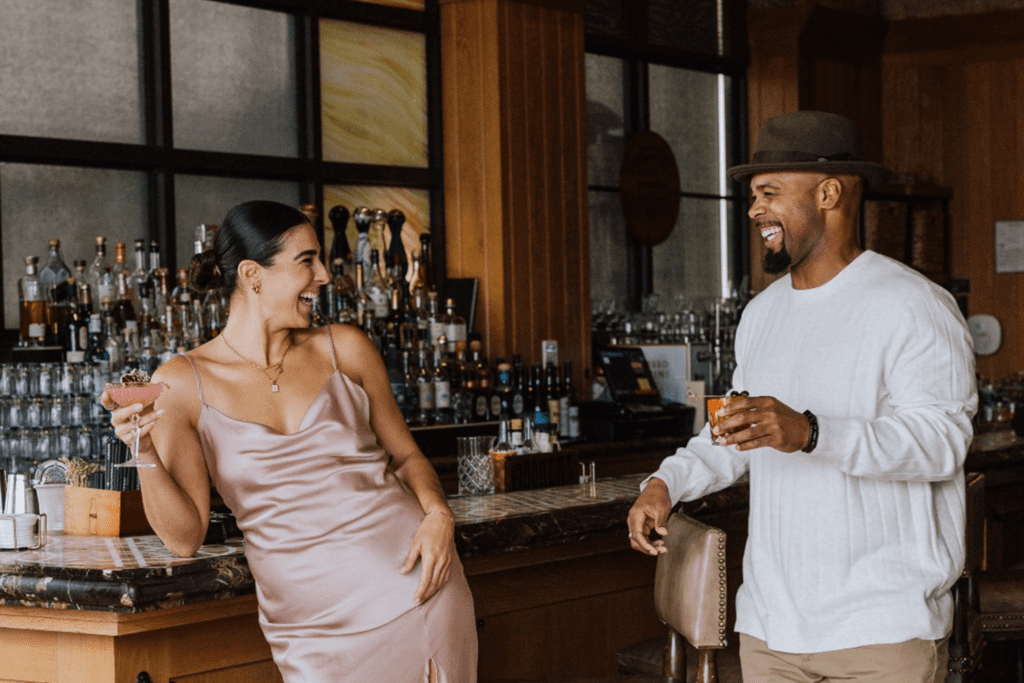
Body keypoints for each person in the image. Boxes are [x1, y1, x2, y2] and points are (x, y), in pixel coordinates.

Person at [627, 111, 977, 682]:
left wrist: (811, 432)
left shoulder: (914, 305)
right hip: (771, 628)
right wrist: (666, 483)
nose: (753, 210)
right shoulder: (761, 315)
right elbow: (733, 433)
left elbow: (940, 444)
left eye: (768, 193)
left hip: (881, 631)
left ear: (829, 193)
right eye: (752, 195)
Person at [102, 200, 478, 683]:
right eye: (307, 261)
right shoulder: (183, 381)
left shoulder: (345, 347)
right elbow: (184, 537)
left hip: (419, 590)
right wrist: (143, 449)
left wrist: (438, 515)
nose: (323, 275)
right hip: (310, 629)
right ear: (253, 275)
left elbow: (407, 457)